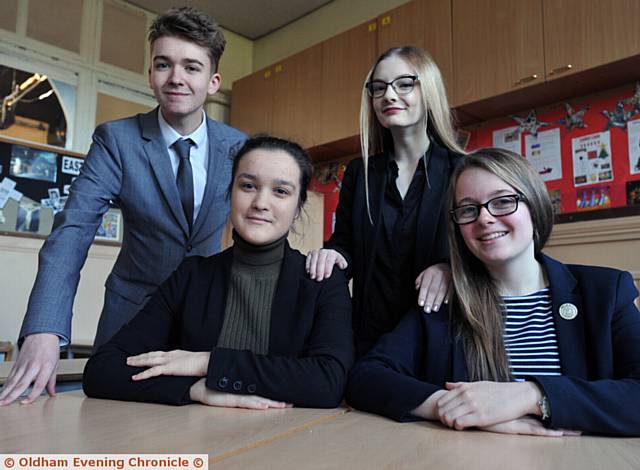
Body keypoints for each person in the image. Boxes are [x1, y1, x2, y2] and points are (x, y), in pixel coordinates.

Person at [0, 7, 246, 406]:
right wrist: (44, 329)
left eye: (191, 67)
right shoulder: (117, 140)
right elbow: (73, 230)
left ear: (213, 81)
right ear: (150, 74)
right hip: (131, 317)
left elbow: (259, 226)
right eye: (163, 64)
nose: (176, 78)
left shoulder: (238, 147)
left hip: (206, 319)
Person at [346, 148, 640, 437]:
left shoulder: (605, 291)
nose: (484, 218)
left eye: (502, 202)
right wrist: (451, 407)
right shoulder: (444, 301)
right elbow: (365, 377)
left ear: (534, 205)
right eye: (468, 209)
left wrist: (532, 395)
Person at [82, 136, 354, 409]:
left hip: (286, 441)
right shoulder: (192, 276)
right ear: (230, 193)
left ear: (298, 208)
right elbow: (103, 370)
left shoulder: (323, 281)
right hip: (194, 439)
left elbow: (327, 383)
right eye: (248, 186)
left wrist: (207, 363)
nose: (261, 202)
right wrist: (194, 389)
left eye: (281, 191)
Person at [306, 46, 464, 356]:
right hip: (369, 335)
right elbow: (345, 245)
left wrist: (449, 268)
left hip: (438, 335)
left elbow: (481, 253)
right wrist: (330, 256)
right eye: (379, 88)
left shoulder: (461, 169)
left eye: (404, 84)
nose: (389, 95)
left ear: (428, 89)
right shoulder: (360, 172)